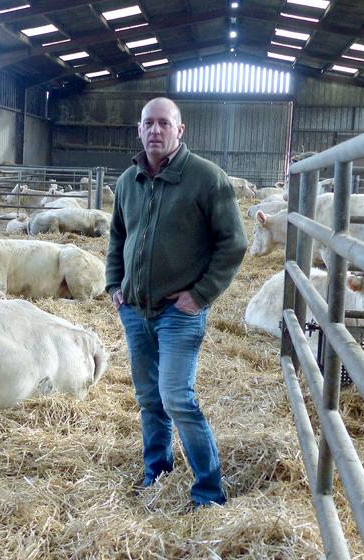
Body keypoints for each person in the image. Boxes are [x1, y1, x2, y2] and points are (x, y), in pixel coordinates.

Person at [105, 97, 247, 508]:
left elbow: (233, 243)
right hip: (135, 310)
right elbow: (118, 238)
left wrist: (200, 294)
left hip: (178, 314)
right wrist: (115, 284)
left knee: (177, 398)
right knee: (149, 399)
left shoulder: (206, 178)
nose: (155, 131)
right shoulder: (128, 181)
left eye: (164, 124)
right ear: (139, 128)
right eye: (148, 123)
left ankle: (208, 491)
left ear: (179, 131)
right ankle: (157, 473)